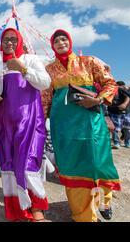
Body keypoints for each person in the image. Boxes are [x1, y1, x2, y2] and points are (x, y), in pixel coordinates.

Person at [41, 29, 120, 222]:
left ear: (70, 41)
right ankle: (84, 216)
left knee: (97, 164)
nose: (61, 43)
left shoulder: (89, 62)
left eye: (64, 39)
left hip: (91, 124)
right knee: (72, 168)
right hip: (64, 128)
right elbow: (45, 100)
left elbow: (111, 84)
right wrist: (40, 123)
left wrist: (98, 100)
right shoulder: (49, 70)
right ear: (52, 46)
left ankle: (105, 200)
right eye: (56, 41)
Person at [0, 28, 51, 222]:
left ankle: (36, 209)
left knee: (27, 164)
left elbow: (45, 83)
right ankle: (16, 211)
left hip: (30, 121)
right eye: (5, 40)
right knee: (8, 164)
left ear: (19, 41)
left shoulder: (30, 59)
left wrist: (22, 68)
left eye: (12, 39)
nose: (9, 42)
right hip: (4, 122)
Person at [108, 81, 130, 149]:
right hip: (114, 111)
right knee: (115, 129)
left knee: (127, 128)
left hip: (126, 111)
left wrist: (124, 104)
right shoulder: (106, 90)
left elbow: (128, 97)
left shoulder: (120, 89)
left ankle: (127, 142)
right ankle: (116, 142)